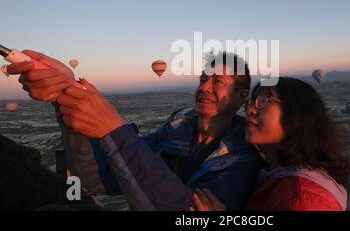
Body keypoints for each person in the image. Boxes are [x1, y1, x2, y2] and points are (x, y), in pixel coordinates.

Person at [7, 50, 263, 211]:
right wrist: (67, 96)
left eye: (218, 82)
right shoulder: (176, 130)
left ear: (241, 98)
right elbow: (102, 179)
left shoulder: (243, 157)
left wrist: (114, 130)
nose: (205, 87)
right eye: (203, 79)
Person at [191, 77, 350, 211]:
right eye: (252, 102)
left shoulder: (303, 199)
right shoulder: (275, 174)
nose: (250, 110)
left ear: (297, 115)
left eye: (264, 101)